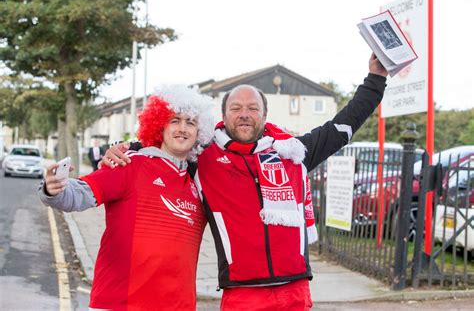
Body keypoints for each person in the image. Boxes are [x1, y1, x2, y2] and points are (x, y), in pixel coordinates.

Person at [103, 53, 388, 310]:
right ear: (223, 115)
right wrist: (126, 148)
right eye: (236, 108)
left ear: (264, 115)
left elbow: (341, 128)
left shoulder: (292, 152)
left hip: (296, 290)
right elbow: (168, 145)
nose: (244, 114)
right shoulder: (204, 158)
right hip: (243, 295)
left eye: (253, 108)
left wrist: (376, 78)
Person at [38, 86, 214, 310]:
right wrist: (55, 189)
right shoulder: (129, 164)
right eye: (174, 120)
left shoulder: (199, 184)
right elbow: (81, 193)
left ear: (199, 132)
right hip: (118, 303)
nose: (182, 128)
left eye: (190, 122)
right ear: (160, 125)